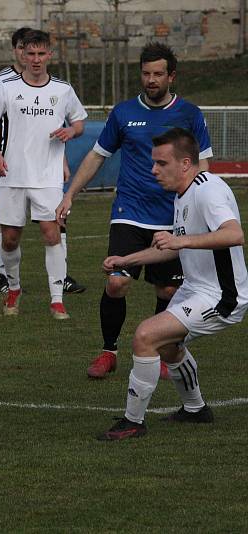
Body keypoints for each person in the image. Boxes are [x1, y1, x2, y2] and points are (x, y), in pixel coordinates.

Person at [55, 42, 213, 378]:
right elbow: (98, 155)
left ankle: (159, 352)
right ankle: (108, 351)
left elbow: (203, 166)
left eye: (158, 74)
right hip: (130, 210)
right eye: (146, 73)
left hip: (173, 216)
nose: (151, 79)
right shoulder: (124, 113)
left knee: (168, 290)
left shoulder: (189, 114)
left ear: (171, 76)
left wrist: (201, 208)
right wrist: (70, 195)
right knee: (116, 283)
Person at [98, 128, 247, 440]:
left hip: (222, 296)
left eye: (161, 163)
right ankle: (196, 410)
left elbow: (234, 234)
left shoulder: (208, 190)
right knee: (166, 345)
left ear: (185, 163)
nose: (154, 170)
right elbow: (169, 246)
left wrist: (182, 242)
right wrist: (126, 261)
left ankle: (133, 422)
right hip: (196, 289)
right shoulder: (183, 195)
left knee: (146, 335)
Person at [0, 29, 87, 319]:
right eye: (31, 53)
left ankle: (56, 300)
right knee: (10, 239)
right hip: (13, 175)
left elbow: (79, 123)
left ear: (49, 55)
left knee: (52, 232)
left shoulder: (63, 90)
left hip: (48, 177)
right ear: (21, 54)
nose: (36, 59)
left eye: (41, 54)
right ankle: (13, 288)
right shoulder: (6, 86)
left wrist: (71, 131)